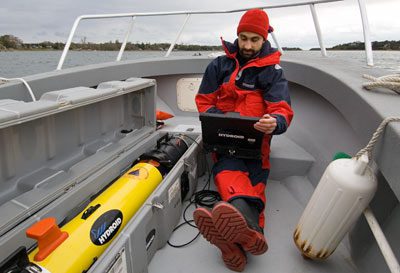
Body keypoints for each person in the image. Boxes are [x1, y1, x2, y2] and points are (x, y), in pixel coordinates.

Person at [193, 9, 294, 272]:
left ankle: (236, 241)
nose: (247, 45)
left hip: (257, 143)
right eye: (243, 38)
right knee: (226, 170)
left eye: (254, 40)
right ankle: (251, 233)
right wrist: (220, 119)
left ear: (264, 39)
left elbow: (282, 109)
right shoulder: (218, 65)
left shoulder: (273, 71)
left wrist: (275, 122)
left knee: (255, 179)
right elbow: (204, 102)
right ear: (237, 36)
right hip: (224, 138)